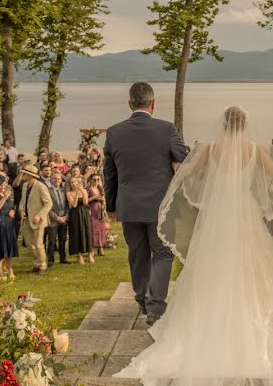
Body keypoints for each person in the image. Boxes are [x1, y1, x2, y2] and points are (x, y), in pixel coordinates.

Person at [113, 105, 273, 386]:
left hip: (215, 224)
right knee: (254, 273)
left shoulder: (210, 149)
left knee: (209, 272)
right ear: (246, 125)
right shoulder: (254, 150)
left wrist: (179, 176)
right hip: (246, 221)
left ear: (222, 125)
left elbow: (186, 173)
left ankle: (208, 318)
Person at [104, 82, 190, 323]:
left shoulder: (114, 132)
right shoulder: (166, 129)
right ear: (153, 104)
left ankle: (142, 298)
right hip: (160, 205)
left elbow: (109, 174)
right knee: (162, 254)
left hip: (128, 206)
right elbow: (185, 158)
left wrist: (110, 205)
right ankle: (155, 305)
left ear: (130, 104)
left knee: (137, 253)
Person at [18, 164, 52, 275]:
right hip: (27, 219)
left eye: (25, 173)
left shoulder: (41, 187)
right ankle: (37, 262)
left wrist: (39, 215)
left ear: (30, 175)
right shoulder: (24, 186)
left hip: (38, 220)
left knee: (38, 244)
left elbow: (49, 203)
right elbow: (23, 200)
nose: (23, 175)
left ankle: (42, 265)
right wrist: (21, 210)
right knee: (28, 243)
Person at [66, 174, 93, 264]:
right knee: (77, 233)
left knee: (86, 231)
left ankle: (90, 254)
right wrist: (77, 193)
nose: (73, 183)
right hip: (74, 214)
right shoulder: (68, 193)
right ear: (70, 184)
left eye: (75, 182)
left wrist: (81, 190)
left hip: (84, 213)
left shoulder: (84, 190)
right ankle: (79, 255)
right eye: (72, 182)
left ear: (78, 182)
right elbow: (74, 205)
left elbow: (85, 202)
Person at [45, 171, 70, 266]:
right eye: (55, 178)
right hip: (53, 220)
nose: (57, 180)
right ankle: (50, 260)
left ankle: (63, 258)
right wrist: (56, 218)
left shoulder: (64, 190)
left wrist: (65, 217)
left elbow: (67, 206)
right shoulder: (48, 191)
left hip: (63, 219)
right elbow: (47, 207)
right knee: (51, 241)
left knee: (62, 240)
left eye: (59, 179)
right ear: (51, 180)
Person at [87, 173, 107, 257]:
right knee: (93, 229)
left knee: (100, 229)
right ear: (90, 180)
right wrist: (95, 198)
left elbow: (103, 199)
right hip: (92, 210)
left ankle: (100, 247)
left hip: (99, 210)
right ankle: (91, 249)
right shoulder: (88, 189)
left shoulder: (100, 188)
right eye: (94, 180)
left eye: (98, 180)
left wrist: (103, 203)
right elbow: (86, 200)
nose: (96, 181)